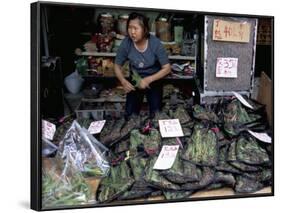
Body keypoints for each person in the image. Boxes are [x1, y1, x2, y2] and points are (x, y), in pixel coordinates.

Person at [114, 12, 171, 118]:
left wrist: (148, 80)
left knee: (156, 114)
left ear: (145, 30)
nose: (132, 32)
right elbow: (117, 65)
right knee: (130, 114)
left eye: (136, 28)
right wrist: (123, 81)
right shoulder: (126, 43)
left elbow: (167, 68)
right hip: (135, 79)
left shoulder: (155, 44)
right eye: (130, 28)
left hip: (154, 79)